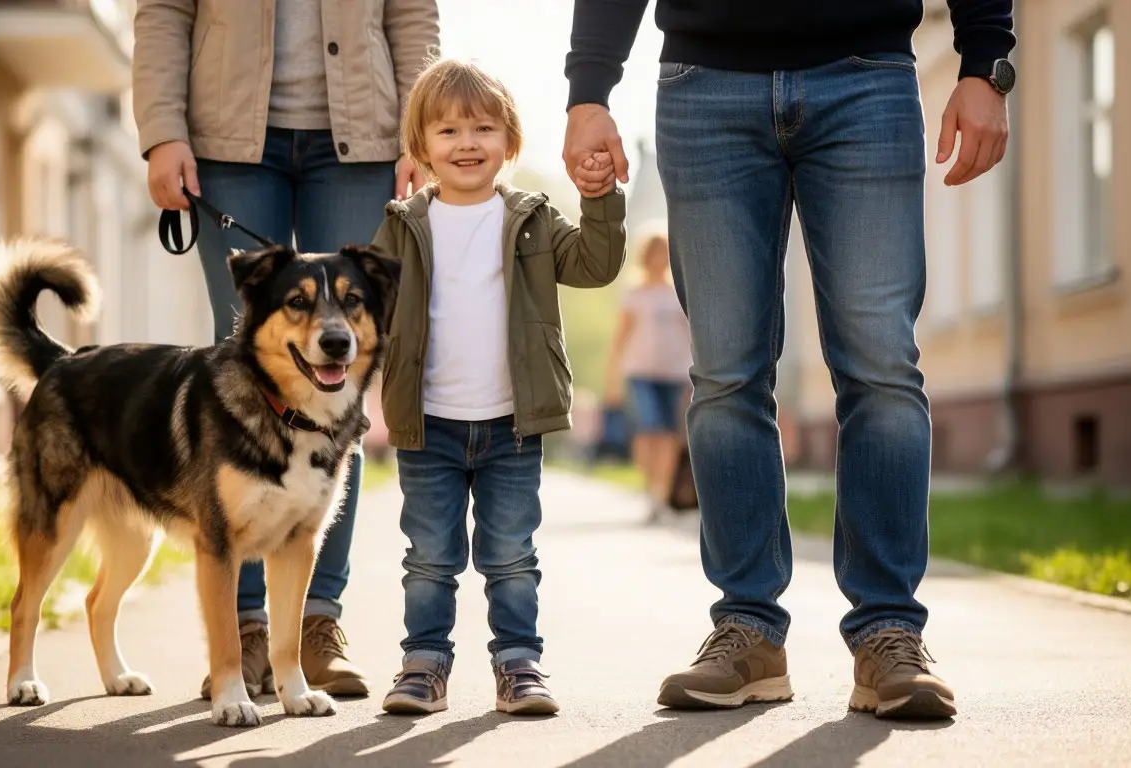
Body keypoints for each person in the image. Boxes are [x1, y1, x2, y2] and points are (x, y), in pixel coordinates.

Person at [563, 0, 1015, 719]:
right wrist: (588, 90)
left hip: (866, 74)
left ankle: (889, 632)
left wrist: (986, 61)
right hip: (702, 82)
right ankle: (747, 631)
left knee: (881, 365)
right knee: (725, 375)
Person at [132, 0, 440, 701]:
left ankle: (315, 624)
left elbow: (414, 13)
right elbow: (164, 12)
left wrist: (416, 131)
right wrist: (161, 131)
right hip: (227, 133)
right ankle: (243, 626)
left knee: (338, 384)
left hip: (360, 138)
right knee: (242, 365)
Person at [371, 57, 627, 716]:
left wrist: (599, 201)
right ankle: (423, 666)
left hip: (513, 423)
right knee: (429, 557)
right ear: (420, 148)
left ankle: (519, 664)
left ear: (508, 143)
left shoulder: (533, 220)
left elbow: (597, 266)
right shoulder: (404, 226)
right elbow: (364, 300)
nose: (466, 144)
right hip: (427, 424)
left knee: (511, 555)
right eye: (448, 131)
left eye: (483, 129)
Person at [603, 226, 692, 520]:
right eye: (654, 252)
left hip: (675, 372)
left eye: (664, 252)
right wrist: (612, 380)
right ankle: (649, 484)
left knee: (668, 432)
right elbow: (620, 339)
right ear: (645, 256)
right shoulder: (634, 293)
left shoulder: (680, 291)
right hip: (640, 370)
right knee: (647, 428)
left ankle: (661, 495)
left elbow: (692, 335)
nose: (659, 258)